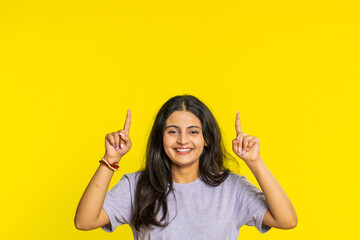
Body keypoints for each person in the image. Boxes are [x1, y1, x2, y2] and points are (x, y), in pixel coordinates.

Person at [74, 95, 297, 239]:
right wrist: (110, 160)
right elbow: (84, 221)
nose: (182, 140)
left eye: (193, 131)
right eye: (172, 131)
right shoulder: (137, 185)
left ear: (206, 138)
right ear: (160, 138)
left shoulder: (231, 187)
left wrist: (255, 162)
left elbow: (286, 220)